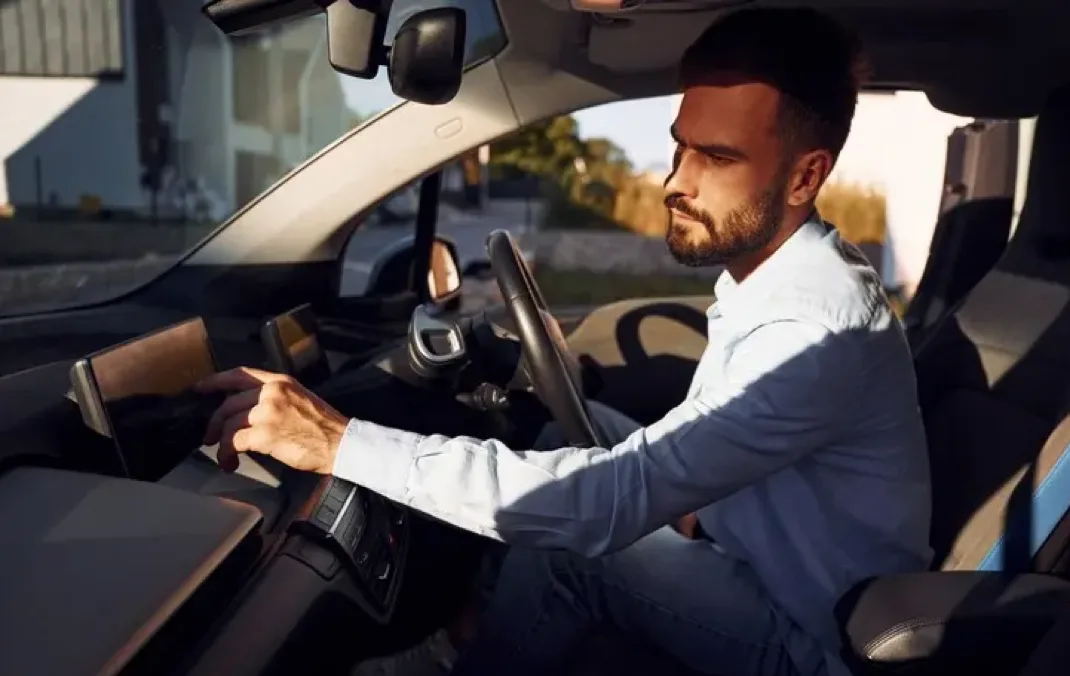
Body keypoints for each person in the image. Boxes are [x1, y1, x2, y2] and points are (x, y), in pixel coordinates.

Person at [197, 7, 932, 676]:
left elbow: (603, 505)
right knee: (565, 427)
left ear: (806, 176)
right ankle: (473, 618)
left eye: (718, 157)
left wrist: (339, 441)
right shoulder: (775, 280)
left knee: (569, 549)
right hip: (762, 556)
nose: (677, 181)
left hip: (810, 637)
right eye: (680, 148)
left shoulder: (815, 327)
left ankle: (458, 661)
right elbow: (690, 463)